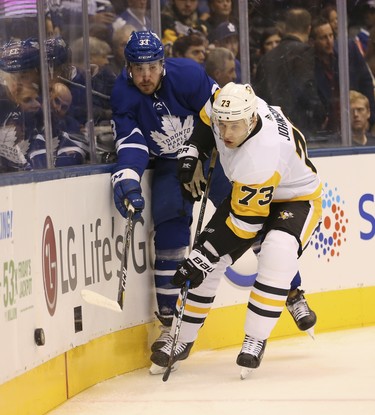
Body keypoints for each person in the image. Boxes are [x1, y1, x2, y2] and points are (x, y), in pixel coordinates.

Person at [150, 82, 322, 375]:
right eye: (224, 125)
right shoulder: (226, 103)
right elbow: (207, 120)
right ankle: (181, 338)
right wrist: (194, 149)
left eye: (235, 127)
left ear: (252, 120)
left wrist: (203, 255)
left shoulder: (261, 154)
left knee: (276, 252)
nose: (226, 134)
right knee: (206, 261)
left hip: (295, 199)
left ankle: (255, 338)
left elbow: (246, 225)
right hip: (250, 193)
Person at [110, 30, 231, 361]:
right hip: (167, 165)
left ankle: (290, 288)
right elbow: (131, 142)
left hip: (213, 155)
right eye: (138, 68)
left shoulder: (189, 74)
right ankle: (170, 324)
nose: (145, 76)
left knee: (246, 213)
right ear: (128, 68)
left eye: (151, 67)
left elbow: (221, 117)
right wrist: (129, 179)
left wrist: (198, 153)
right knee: (169, 229)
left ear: (162, 63)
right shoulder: (123, 93)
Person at [254, 8, 326, 139]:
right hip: (297, 129)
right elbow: (306, 88)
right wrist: (320, 114)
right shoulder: (304, 52)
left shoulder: (267, 57)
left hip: (271, 129)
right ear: (309, 29)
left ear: (286, 28)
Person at [311, 15, 375, 138]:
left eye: (331, 35)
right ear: (313, 42)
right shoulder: (310, 64)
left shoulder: (348, 48)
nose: (329, 41)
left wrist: (371, 118)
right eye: (323, 38)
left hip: (355, 121)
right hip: (329, 128)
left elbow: (366, 81)